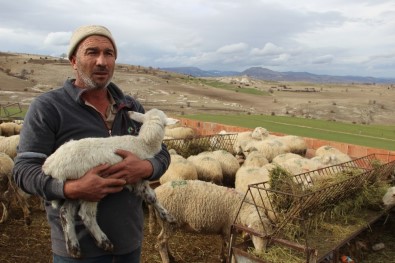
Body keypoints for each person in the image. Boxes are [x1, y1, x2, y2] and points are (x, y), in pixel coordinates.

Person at [13, 25, 171, 262]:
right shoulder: (47, 108)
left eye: (109, 53)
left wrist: (146, 168)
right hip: (78, 253)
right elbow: (24, 170)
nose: (101, 61)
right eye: (92, 52)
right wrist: (70, 189)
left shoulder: (131, 108)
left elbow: (161, 153)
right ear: (74, 61)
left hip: (129, 243)